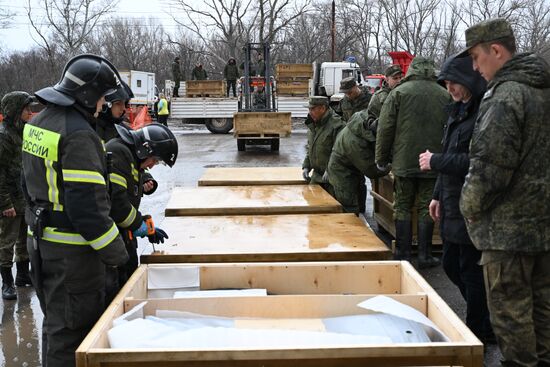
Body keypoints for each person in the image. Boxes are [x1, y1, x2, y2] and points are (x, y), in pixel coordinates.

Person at [21, 54, 129, 367]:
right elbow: (88, 211)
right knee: (72, 335)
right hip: (73, 259)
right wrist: (118, 256)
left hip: (41, 244)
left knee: (55, 325)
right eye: (102, 99)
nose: (103, 106)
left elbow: (26, 185)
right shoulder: (80, 135)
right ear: (88, 95)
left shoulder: (38, 122)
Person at [458, 18, 550, 366]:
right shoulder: (542, 88)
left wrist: (468, 207)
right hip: (543, 228)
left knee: (512, 319)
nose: (474, 67)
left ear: (496, 51)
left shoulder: (506, 95)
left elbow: (488, 168)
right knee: (542, 313)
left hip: (506, 235)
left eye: (476, 57)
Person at [418, 53, 494, 344]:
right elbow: (449, 153)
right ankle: (484, 317)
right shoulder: (457, 111)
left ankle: (479, 330)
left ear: (468, 81)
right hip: (450, 200)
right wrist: (437, 195)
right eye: (446, 83)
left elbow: (476, 161)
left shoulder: (481, 114)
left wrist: (436, 161)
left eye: (454, 83)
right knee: (450, 264)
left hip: (471, 203)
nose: (449, 88)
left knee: (470, 271)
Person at [375, 56, 449, 268]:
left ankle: (403, 253)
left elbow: (385, 128)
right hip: (433, 162)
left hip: (404, 160)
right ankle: (425, 255)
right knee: (427, 206)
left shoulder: (399, 92)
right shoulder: (444, 94)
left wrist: (381, 158)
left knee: (403, 206)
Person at [105, 123, 177, 301]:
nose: (152, 166)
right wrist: (140, 225)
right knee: (117, 295)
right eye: (155, 159)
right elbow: (118, 206)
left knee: (128, 285)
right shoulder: (119, 154)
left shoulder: (130, 157)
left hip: (122, 235)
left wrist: (141, 223)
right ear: (145, 149)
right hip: (111, 241)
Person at [0, 91, 35, 300]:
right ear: (15, 111)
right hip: (9, 200)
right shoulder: (4, 136)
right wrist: (5, 203)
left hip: (24, 196)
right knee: (7, 242)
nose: (30, 113)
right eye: (26, 109)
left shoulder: (23, 131)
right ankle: (7, 283)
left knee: (24, 239)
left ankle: (22, 275)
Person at [327, 109, 389, 214]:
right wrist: (391, 166)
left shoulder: (362, 122)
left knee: (359, 199)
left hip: (351, 168)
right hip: (342, 174)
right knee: (349, 208)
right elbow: (372, 171)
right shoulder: (355, 143)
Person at [302, 96, 345, 197]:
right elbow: (311, 148)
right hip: (317, 176)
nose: (310, 112)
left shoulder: (336, 126)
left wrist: (330, 170)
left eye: (313, 109)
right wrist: (306, 166)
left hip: (334, 177)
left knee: (333, 208)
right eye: (309, 109)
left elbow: (340, 153)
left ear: (322, 108)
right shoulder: (314, 124)